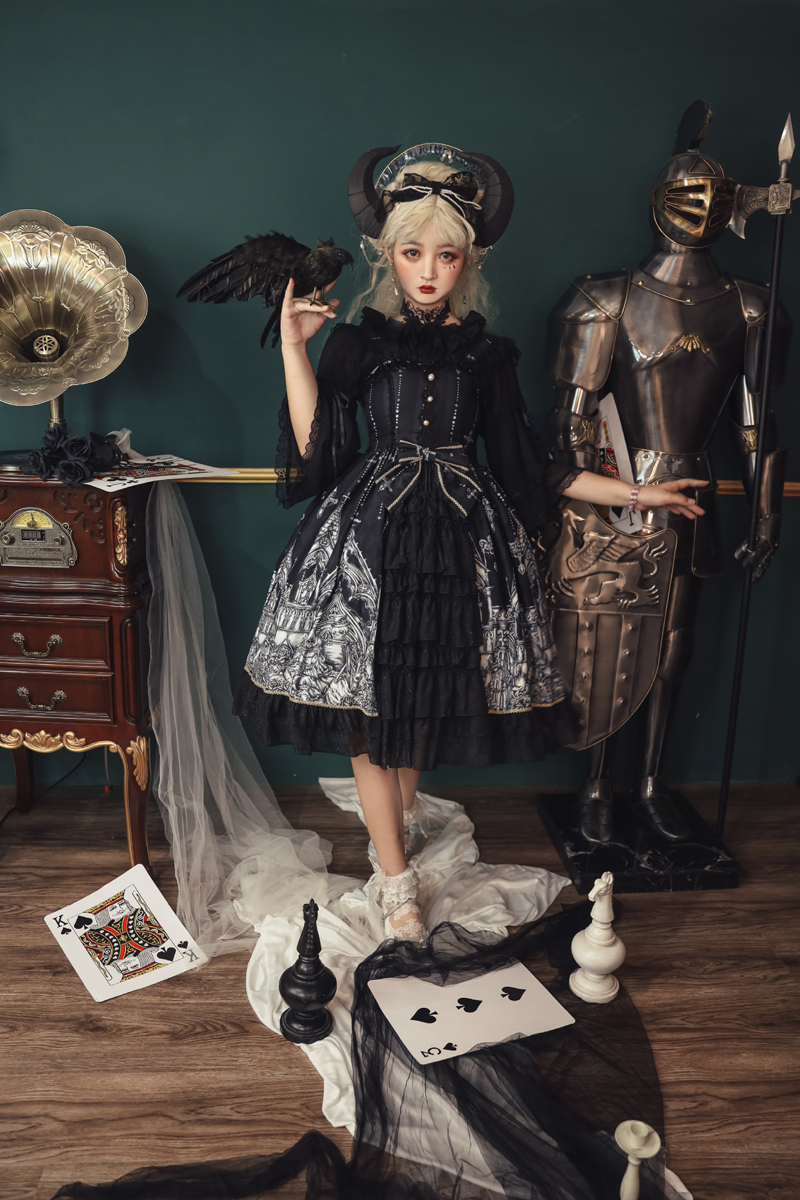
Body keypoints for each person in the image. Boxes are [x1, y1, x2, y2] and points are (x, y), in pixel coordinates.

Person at [233, 143, 705, 943]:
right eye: (412, 252)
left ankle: (390, 845)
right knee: (370, 719)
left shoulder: (488, 356)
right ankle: (395, 882)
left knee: (418, 706)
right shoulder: (357, 344)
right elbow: (318, 456)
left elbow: (531, 468)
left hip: (460, 548)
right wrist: (292, 347)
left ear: (469, 260)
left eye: (446, 255)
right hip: (368, 545)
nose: (428, 270)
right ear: (387, 255)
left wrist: (636, 493)